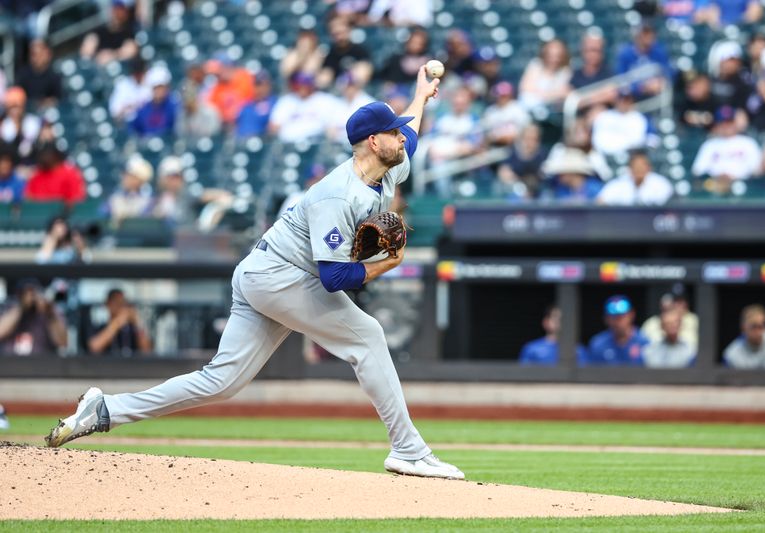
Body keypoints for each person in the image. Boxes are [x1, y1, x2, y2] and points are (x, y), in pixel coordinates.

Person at [45, 67, 466, 481]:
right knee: (368, 336)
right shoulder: (336, 195)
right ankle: (409, 450)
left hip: (263, 273)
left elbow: (410, 134)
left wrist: (419, 95)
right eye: (393, 132)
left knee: (220, 382)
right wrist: (386, 264)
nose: (402, 138)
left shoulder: (387, 166)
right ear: (374, 142)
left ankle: (105, 410)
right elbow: (334, 279)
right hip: (279, 276)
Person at [691, 105, 762, 192]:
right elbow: (698, 171)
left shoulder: (748, 143)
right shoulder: (709, 145)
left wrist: (732, 177)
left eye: (729, 121)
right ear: (717, 124)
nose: (727, 125)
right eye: (723, 122)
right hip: (714, 188)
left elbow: (758, 171)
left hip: (743, 187)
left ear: (735, 122)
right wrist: (720, 178)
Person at [0, 279, 68, 356]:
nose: (31, 297)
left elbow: (63, 342)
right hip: (9, 364)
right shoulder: (9, 306)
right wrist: (22, 307)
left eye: (33, 292)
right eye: (26, 292)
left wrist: (50, 313)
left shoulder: (48, 310)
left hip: (42, 364)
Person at [269, 72, 339, 143]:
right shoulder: (286, 101)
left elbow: (333, 127)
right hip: (289, 144)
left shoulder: (325, 100)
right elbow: (274, 126)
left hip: (315, 142)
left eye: (304, 84)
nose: (301, 88)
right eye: (298, 85)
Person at [582, 295, 648, 366]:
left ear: (631, 315)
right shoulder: (598, 344)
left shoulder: (644, 342)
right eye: (614, 317)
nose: (618, 322)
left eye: (622, 317)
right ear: (606, 319)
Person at [87, 289, 152, 357]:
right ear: (108, 304)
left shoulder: (132, 329)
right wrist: (117, 322)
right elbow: (94, 347)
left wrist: (137, 323)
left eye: (123, 303)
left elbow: (147, 350)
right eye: (117, 303)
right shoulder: (100, 327)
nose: (120, 307)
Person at [596, 149, 673, 206]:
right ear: (630, 169)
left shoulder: (661, 184)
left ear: (648, 168)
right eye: (636, 167)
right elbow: (600, 201)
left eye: (641, 167)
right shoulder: (620, 183)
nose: (639, 170)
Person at [590, 88, 652, 157]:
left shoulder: (638, 118)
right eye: (621, 100)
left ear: (631, 101)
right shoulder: (604, 116)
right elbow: (597, 139)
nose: (623, 103)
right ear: (616, 101)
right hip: (605, 155)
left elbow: (636, 141)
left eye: (626, 100)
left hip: (629, 155)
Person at [615, 23, 671, 97]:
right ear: (637, 36)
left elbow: (668, 73)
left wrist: (660, 81)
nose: (648, 37)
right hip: (632, 97)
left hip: (655, 95)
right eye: (645, 33)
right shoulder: (625, 54)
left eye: (650, 33)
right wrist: (642, 87)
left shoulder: (659, 52)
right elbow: (621, 80)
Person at [518, 39, 572, 116]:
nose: (554, 59)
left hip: (552, 112)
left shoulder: (565, 71)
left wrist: (540, 94)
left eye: (558, 55)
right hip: (528, 108)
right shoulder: (535, 65)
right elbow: (525, 89)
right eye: (551, 54)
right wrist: (551, 95)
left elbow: (564, 93)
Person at [318, 17, 372, 89]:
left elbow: (365, 72)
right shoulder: (330, 54)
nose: (339, 37)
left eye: (341, 33)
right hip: (336, 92)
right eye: (335, 34)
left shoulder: (360, 51)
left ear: (349, 30)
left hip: (356, 91)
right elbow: (324, 77)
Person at [80, 0, 138, 66]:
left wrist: (112, 55)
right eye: (116, 9)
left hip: (121, 69)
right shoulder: (100, 31)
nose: (118, 13)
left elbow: (131, 50)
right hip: (99, 69)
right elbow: (85, 52)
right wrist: (98, 58)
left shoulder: (129, 31)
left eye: (121, 10)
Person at [497, 124, 548, 198]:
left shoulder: (543, 154)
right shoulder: (512, 153)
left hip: (538, 192)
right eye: (527, 138)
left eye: (534, 139)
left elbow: (545, 174)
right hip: (516, 191)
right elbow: (504, 173)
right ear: (522, 138)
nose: (530, 143)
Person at [206, 53, 255, 127]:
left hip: (246, 121)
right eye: (216, 74)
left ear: (228, 66)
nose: (217, 75)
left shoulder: (244, 77)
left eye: (219, 70)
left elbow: (250, 102)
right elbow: (212, 109)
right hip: (225, 125)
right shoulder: (217, 87)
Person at [105, 155, 154, 227]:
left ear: (139, 179)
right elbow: (102, 214)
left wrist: (126, 215)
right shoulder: (115, 197)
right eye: (125, 174)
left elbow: (146, 221)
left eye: (130, 175)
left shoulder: (150, 200)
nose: (125, 177)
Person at [129, 66, 178, 138]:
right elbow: (134, 130)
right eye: (156, 87)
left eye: (161, 87)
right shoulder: (143, 110)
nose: (159, 91)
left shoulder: (175, 107)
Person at [482, 81, 531, 147]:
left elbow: (526, 128)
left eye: (504, 95)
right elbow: (486, 132)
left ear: (510, 95)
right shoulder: (491, 111)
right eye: (500, 95)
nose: (502, 98)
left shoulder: (517, 108)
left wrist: (512, 136)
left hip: (515, 145)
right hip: (495, 145)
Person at [16, 39, 62, 110]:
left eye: (39, 54)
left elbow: (60, 99)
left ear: (48, 54)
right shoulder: (23, 75)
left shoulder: (55, 74)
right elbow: (18, 96)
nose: (35, 58)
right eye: (33, 54)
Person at [0, 87, 41, 164]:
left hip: (31, 163)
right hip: (11, 166)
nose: (15, 111)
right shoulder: (4, 125)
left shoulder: (33, 121)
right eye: (12, 107)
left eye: (17, 106)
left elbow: (28, 148)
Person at [235, 71, 277, 139]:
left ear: (269, 86)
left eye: (264, 85)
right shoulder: (246, 107)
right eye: (257, 84)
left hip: (263, 143)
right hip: (242, 143)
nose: (260, 89)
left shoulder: (275, 104)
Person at [109, 57, 150, 123]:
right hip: (129, 124)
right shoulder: (123, 85)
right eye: (136, 73)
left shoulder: (151, 82)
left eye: (140, 72)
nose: (138, 75)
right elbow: (115, 114)